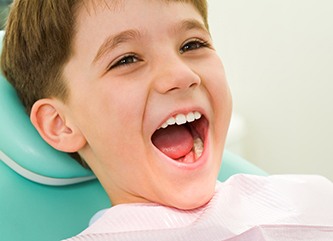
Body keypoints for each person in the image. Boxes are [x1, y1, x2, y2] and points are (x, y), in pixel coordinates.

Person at [1, 0, 332, 240]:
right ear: (60, 124)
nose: (181, 74)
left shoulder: (311, 198)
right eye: (127, 59)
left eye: (192, 44)